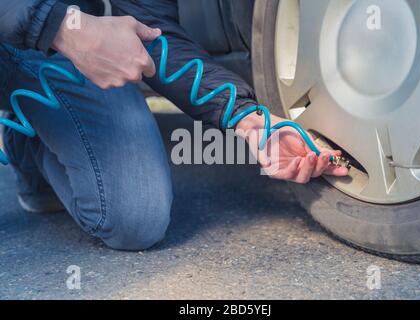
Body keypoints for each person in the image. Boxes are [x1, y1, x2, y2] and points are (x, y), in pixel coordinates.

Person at [0, 0, 348, 250]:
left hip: (57, 44)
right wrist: (58, 24)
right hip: (37, 23)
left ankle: (29, 139)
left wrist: (247, 118)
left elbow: (154, 33)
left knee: (135, 220)